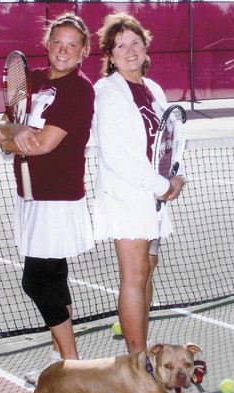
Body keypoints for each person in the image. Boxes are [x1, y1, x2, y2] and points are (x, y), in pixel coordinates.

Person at [0, 13, 95, 383]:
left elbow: (44, 144)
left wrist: (16, 138)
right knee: (54, 274)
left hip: (56, 198)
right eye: (57, 42)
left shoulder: (80, 89)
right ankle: (60, 357)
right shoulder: (32, 79)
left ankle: (71, 366)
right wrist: (11, 136)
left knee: (35, 281)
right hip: (30, 195)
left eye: (72, 45)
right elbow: (0, 127)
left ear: (84, 50)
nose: (63, 51)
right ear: (47, 44)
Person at [92, 13, 186, 355]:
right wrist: (161, 185)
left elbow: (171, 137)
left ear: (145, 48)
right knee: (133, 276)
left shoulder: (154, 89)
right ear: (110, 54)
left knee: (148, 270)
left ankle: (142, 351)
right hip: (128, 198)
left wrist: (177, 175)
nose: (129, 50)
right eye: (120, 45)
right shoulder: (107, 92)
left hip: (155, 200)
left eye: (135, 43)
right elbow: (116, 155)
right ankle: (137, 362)